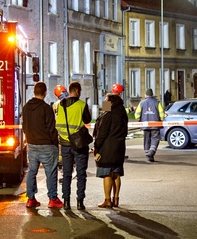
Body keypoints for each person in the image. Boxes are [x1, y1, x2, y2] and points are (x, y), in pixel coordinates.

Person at [21, 81, 62, 209]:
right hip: (47, 145)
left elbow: (24, 126)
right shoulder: (46, 108)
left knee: (32, 171)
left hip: (32, 144)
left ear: (34, 92)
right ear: (45, 93)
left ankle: (31, 199)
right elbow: (51, 128)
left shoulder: (26, 107)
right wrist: (55, 144)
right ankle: (53, 199)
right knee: (50, 172)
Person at [56, 81, 92, 210]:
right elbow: (88, 120)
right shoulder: (82, 104)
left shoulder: (61, 104)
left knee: (66, 174)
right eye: (80, 91)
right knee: (81, 173)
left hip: (65, 143)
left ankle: (66, 202)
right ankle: (80, 202)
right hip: (79, 144)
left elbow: (59, 123)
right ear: (77, 91)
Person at [93, 92, 128, 208]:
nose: (104, 103)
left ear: (111, 102)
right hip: (119, 147)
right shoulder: (122, 113)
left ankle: (107, 200)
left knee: (107, 173)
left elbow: (102, 133)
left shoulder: (108, 114)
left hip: (107, 148)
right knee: (116, 173)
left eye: (106, 101)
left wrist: (96, 147)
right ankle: (116, 198)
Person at [135, 88, 164, 162]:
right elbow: (162, 114)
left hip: (145, 124)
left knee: (146, 139)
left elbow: (137, 115)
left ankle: (148, 154)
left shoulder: (142, 103)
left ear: (145, 95)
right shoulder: (157, 102)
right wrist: (162, 119)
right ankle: (151, 152)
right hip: (155, 124)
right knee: (155, 138)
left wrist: (139, 120)